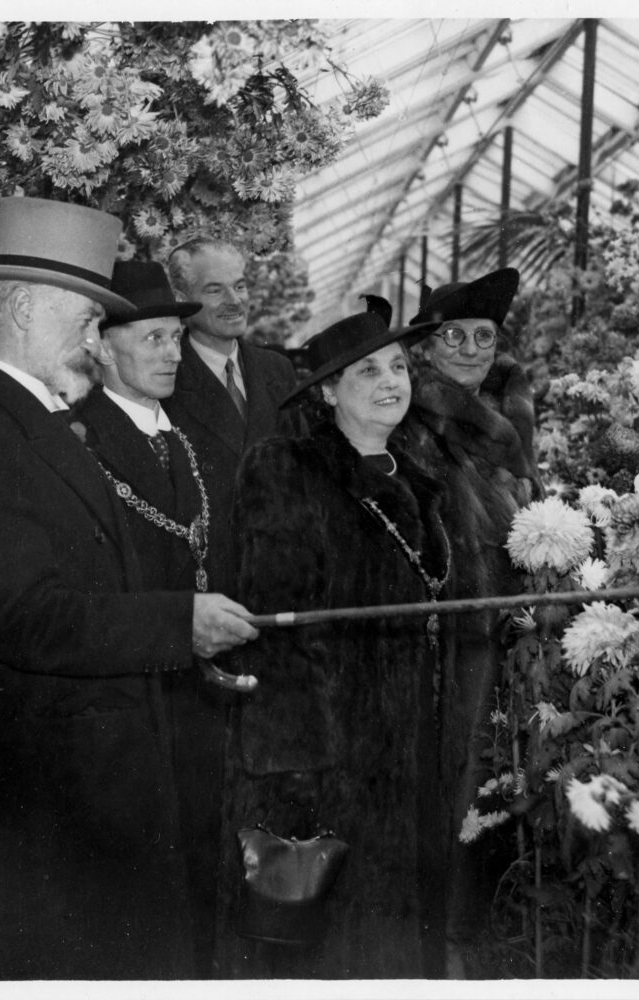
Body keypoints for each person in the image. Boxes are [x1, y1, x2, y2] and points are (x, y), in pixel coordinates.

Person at [0, 198, 258, 980]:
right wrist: (179, 624)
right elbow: (24, 618)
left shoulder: (24, 418)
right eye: (87, 319)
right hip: (50, 794)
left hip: (96, 775)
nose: (96, 343)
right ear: (25, 307)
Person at [216, 301, 451, 978]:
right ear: (326, 391)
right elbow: (276, 630)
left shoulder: (416, 479)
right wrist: (296, 781)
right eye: (367, 370)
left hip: (408, 754)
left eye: (399, 366)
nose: (390, 381)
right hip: (330, 761)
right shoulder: (288, 470)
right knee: (330, 953)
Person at [71, 259, 225, 978]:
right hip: (130, 705)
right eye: (153, 339)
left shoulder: (187, 439)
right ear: (100, 345)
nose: (172, 354)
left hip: (199, 703)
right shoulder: (80, 443)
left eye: (176, 339)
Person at [392, 267, 538, 964]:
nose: (474, 348)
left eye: (485, 336)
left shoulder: (511, 418)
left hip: (508, 618)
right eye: (457, 336)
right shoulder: (414, 417)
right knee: (457, 765)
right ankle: (444, 935)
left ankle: (476, 922)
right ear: (428, 345)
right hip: (449, 621)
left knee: (497, 764)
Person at [163, 236, 299, 591]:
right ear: (182, 301)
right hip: (208, 582)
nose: (235, 301)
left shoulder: (277, 372)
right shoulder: (165, 378)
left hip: (281, 577)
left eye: (239, 286)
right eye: (215, 290)